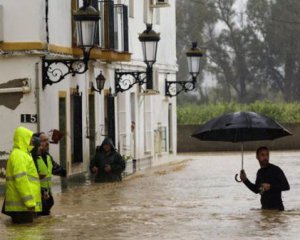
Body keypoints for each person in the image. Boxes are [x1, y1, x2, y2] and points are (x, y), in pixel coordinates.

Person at [2, 126, 42, 223]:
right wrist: (29, 202)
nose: (32, 140)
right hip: (22, 207)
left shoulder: (23, 154)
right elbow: (21, 180)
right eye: (29, 137)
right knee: (26, 235)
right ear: (23, 139)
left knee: (27, 233)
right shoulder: (19, 155)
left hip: (23, 206)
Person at [240, 146, 290, 211]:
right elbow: (257, 190)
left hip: (277, 210)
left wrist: (270, 186)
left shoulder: (276, 169)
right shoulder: (259, 172)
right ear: (257, 157)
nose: (265, 157)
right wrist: (245, 180)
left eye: (267, 155)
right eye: (262, 155)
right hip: (265, 209)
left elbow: (286, 186)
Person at [33, 132, 66, 215]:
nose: (47, 143)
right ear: (37, 143)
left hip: (47, 197)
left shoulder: (48, 156)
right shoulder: (32, 158)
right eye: (43, 141)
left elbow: (57, 169)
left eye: (47, 140)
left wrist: (65, 172)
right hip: (36, 198)